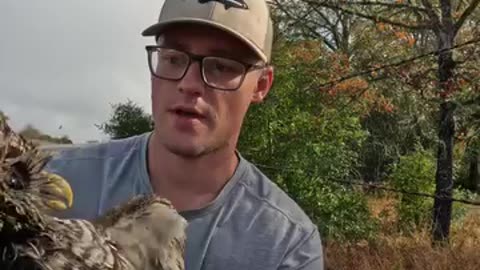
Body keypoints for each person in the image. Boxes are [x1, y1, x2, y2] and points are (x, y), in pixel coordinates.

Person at [45, 0, 324, 269]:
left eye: (221, 66)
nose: (189, 84)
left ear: (261, 85)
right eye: (174, 59)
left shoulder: (287, 246)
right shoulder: (55, 184)